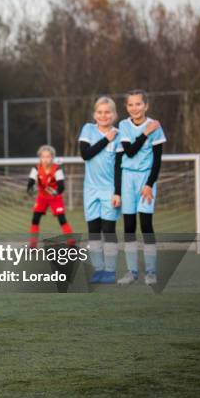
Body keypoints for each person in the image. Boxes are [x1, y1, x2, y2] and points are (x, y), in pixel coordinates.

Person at [117, 90, 165, 286]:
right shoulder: (123, 125)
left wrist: (149, 184)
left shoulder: (157, 128)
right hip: (128, 178)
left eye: (138, 104)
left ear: (146, 106)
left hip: (146, 179)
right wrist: (146, 132)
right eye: (131, 105)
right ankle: (132, 271)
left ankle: (151, 271)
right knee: (129, 226)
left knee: (146, 225)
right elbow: (129, 151)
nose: (135, 108)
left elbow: (157, 160)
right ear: (126, 107)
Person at [78, 97, 123, 284]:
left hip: (109, 190)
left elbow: (119, 167)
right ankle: (98, 269)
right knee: (94, 231)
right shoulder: (88, 129)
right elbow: (85, 154)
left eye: (107, 112)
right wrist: (106, 139)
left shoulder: (120, 135)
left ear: (114, 115)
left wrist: (118, 192)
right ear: (94, 114)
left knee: (109, 230)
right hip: (90, 189)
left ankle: (110, 270)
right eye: (100, 112)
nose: (103, 115)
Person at [27, 145, 73, 247]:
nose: (45, 159)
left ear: (52, 157)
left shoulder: (57, 169)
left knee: (62, 219)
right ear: (40, 157)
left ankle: (71, 243)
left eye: (48, 156)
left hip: (54, 197)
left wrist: (56, 192)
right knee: (35, 219)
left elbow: (61, 186)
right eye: (43, 157)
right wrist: (31, 189)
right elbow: (30, 183)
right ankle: (32, 246)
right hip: (42, 196)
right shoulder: (36, 168)